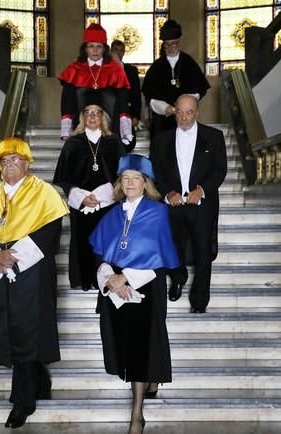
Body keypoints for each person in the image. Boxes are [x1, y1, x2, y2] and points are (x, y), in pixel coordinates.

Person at [0, 138, 69, 429]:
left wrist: (13, 257)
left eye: (15, 160)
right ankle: (38, 378)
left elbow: (50, 232)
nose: (9, 165)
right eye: (4, 161)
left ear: (27, 162)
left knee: (28, 330)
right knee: (8, 328)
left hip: (31, 271)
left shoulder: (44, 194)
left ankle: (23, 402)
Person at [89, 154, 179, 434]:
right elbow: (98, 256)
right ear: (119, 183)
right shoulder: (111, 214)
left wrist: (126, 276)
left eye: (136, 178)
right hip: (116, 291)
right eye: (125, 178)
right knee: (125, 347)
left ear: (145, 182)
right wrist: (111, 280)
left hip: (146, 287)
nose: (130, 183)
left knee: (142, 349)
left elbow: (162, 257)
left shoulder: (159, 212)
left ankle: (137, 413)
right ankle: (147, 383)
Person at [150, 94, 227, 313]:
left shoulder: (214, 137)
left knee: (203, 251)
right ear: (174, 111)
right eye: (180, 112)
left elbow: (220, 170)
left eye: (189, 112)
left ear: (197, 112)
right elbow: (156, 172)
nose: (184, 117)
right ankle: (177, 279)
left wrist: (201, 191)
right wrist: (168, 193)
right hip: (173, 204)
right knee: (173, 247)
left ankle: (200, 300)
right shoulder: (161, 140)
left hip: (202, 204)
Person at [53, 98, 125, 290]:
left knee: (107, 241)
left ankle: (106, 279)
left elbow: (123, 174)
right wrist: (80, 196)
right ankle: (84, 279)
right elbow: (64, 177)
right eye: (88, 112)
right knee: (82, 240)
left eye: (97, 112)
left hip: (108, 202)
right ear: (83, 117)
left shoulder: (113, 142)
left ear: (104, 116)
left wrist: (104, 193)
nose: (93, 116)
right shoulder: (73, 143)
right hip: (81, 202)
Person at [58, 23, 133, 146]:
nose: (95, 50)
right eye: (91, 46)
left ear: (104, 49)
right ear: (85, 48)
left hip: (110, 127)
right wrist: (66, 127)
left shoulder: (115, 68)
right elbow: (67, 100)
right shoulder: (74, 69)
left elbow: (122, 99)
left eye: (99, 46)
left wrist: (125, 127)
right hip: (81, 125)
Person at [142, 19, 210, 143]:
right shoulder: (156, 67)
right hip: (162, 121)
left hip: (186, 118)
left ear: (179, 43)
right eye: (167, 44)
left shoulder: (189, 63)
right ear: (163, 45)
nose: (171, 47)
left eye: (174, 44)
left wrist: (183, 106)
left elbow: (199, 88)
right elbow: (150, 95)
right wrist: (165, 108)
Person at [110, 39, 142, 153]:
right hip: (110, 114)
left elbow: (136, 95)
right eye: (115, 50)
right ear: (110, 51)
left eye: (121, 50)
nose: (118, 53)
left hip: (127, 113)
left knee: (128, 144)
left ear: (124, 52)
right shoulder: (105, 69)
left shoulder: (131, 70)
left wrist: (136, 116)